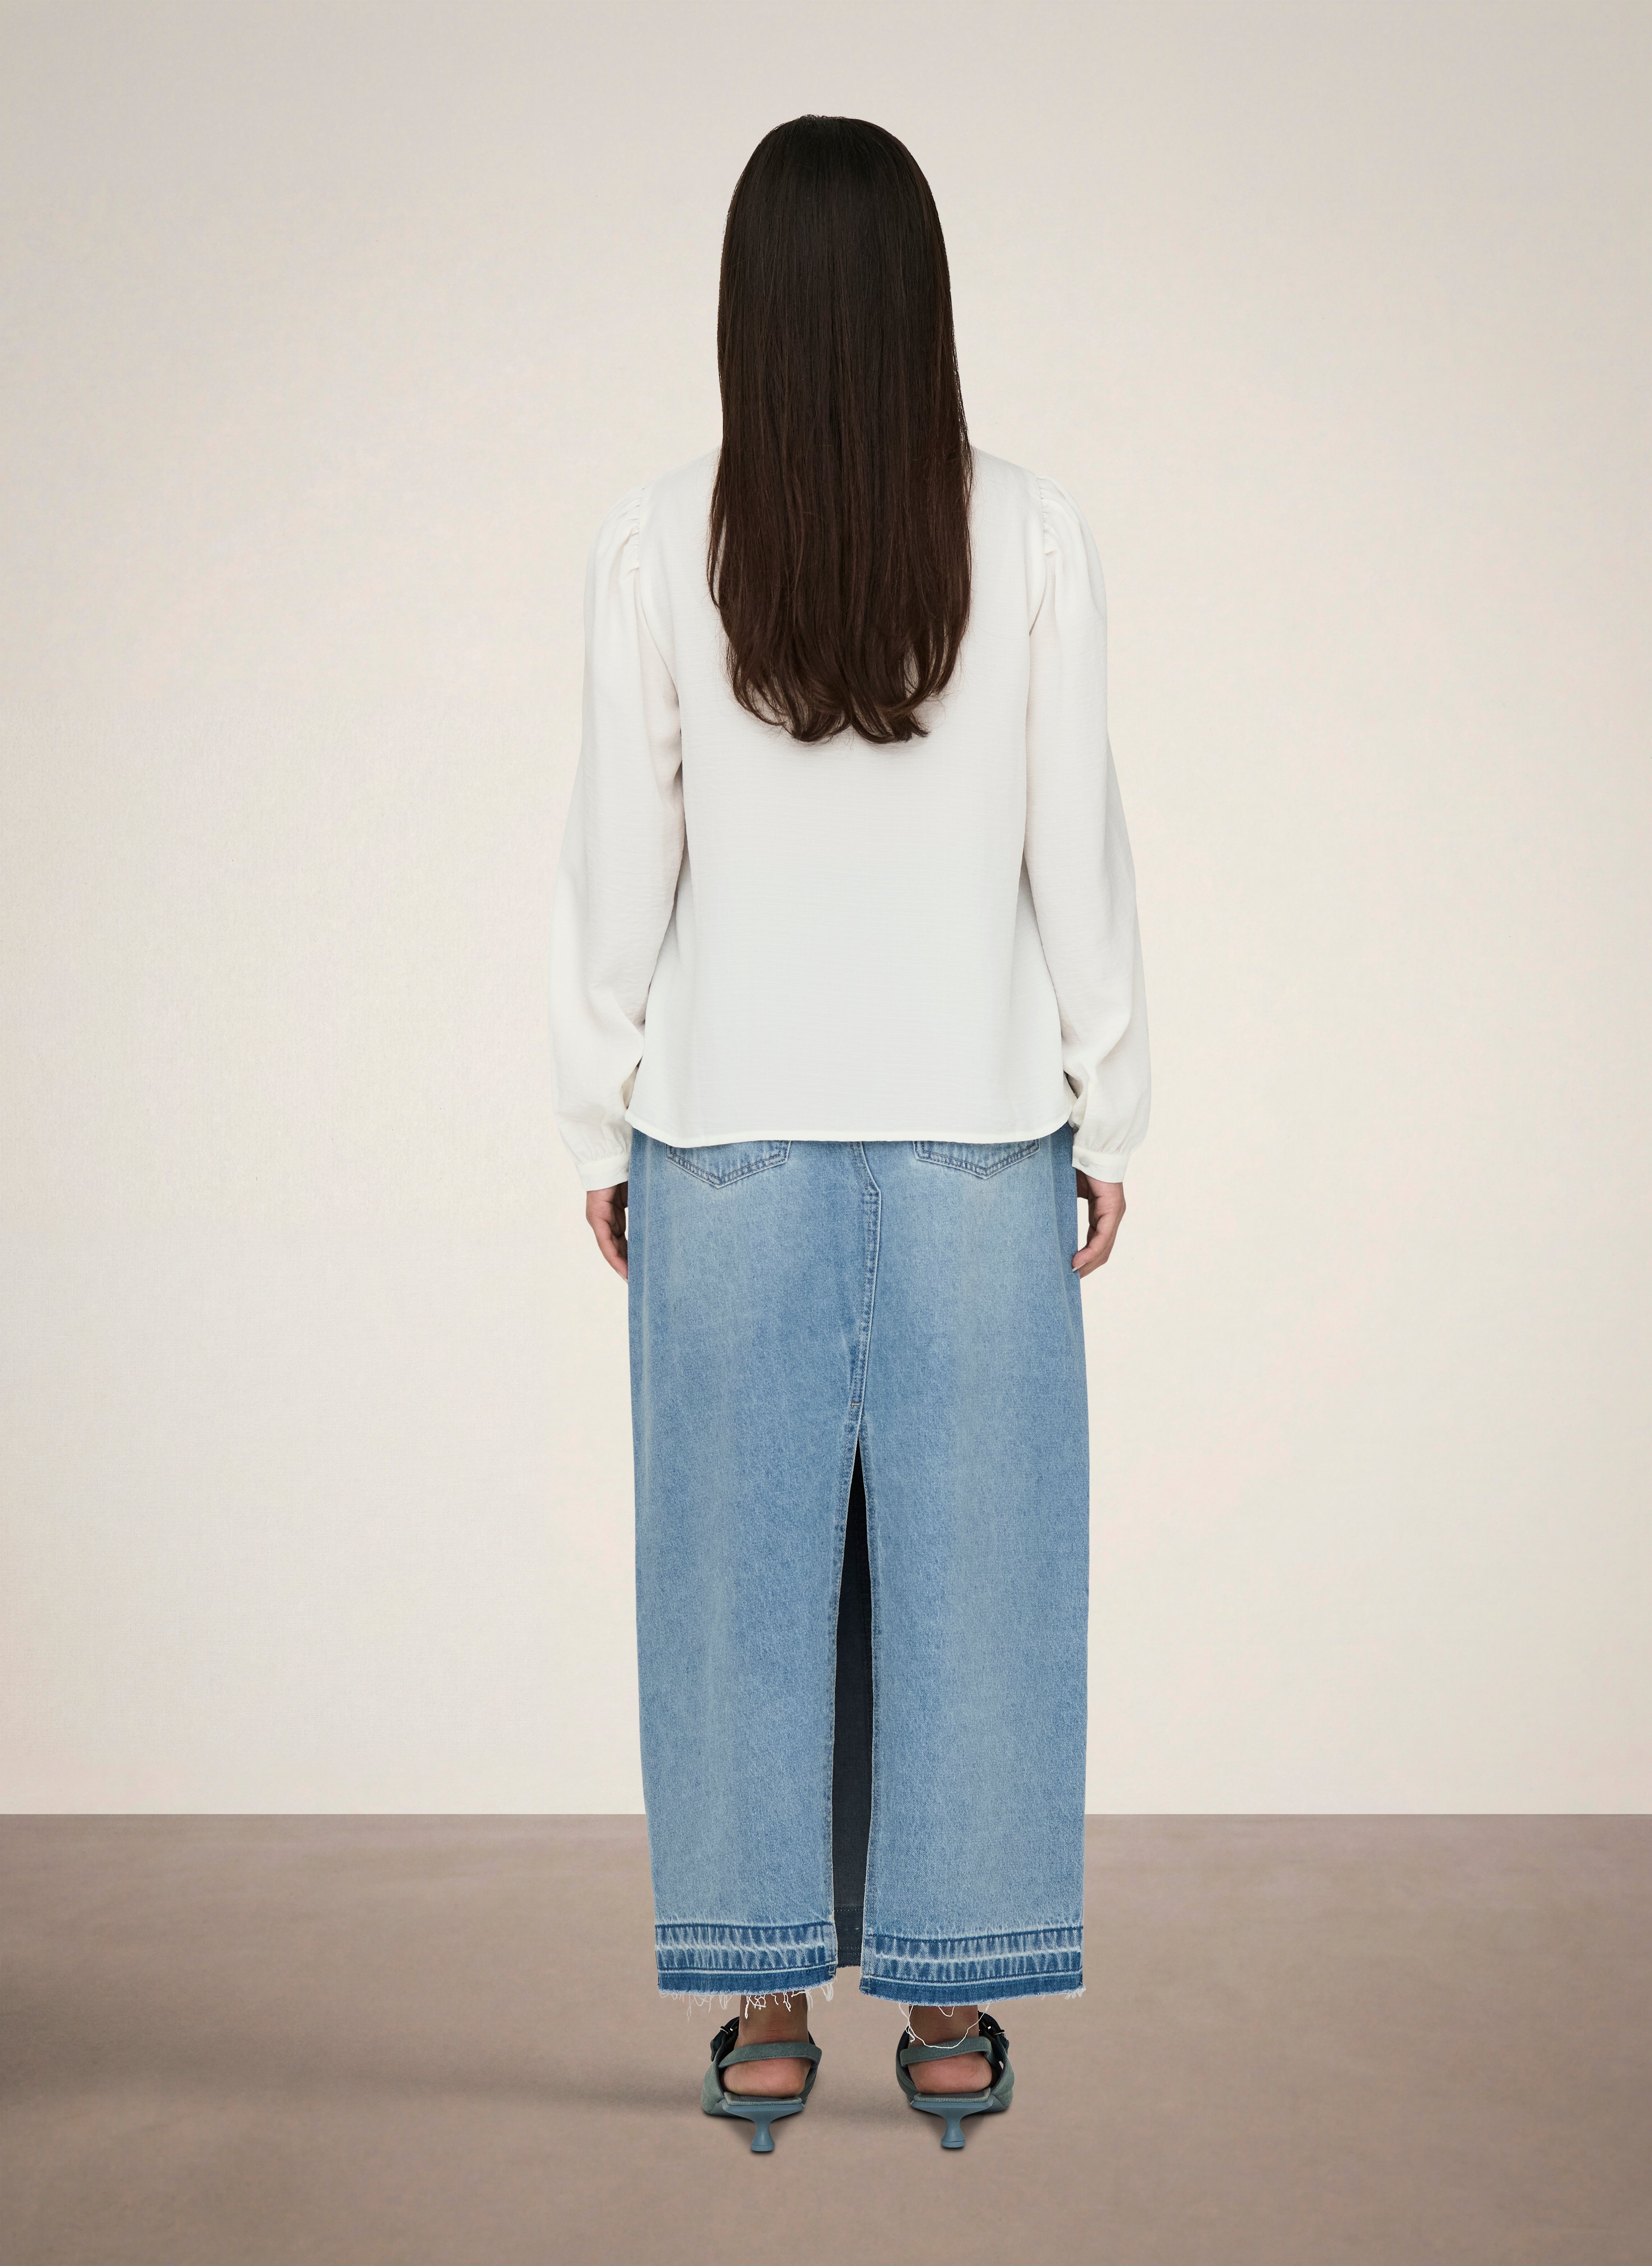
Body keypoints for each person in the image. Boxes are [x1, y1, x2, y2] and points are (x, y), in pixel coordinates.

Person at [549, 113, 1150, 2153]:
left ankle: (764, 2001)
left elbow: (614, 863)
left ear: (747, 310)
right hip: (974, 1132)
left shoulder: (659, 541)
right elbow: (1078, 848)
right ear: (922, 306)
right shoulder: (1030, 534)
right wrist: (1110, 1093)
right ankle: (956, 2006)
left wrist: (599, 1111)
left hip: (726, 1135)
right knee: (979, 1577)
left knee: (736, 1580)